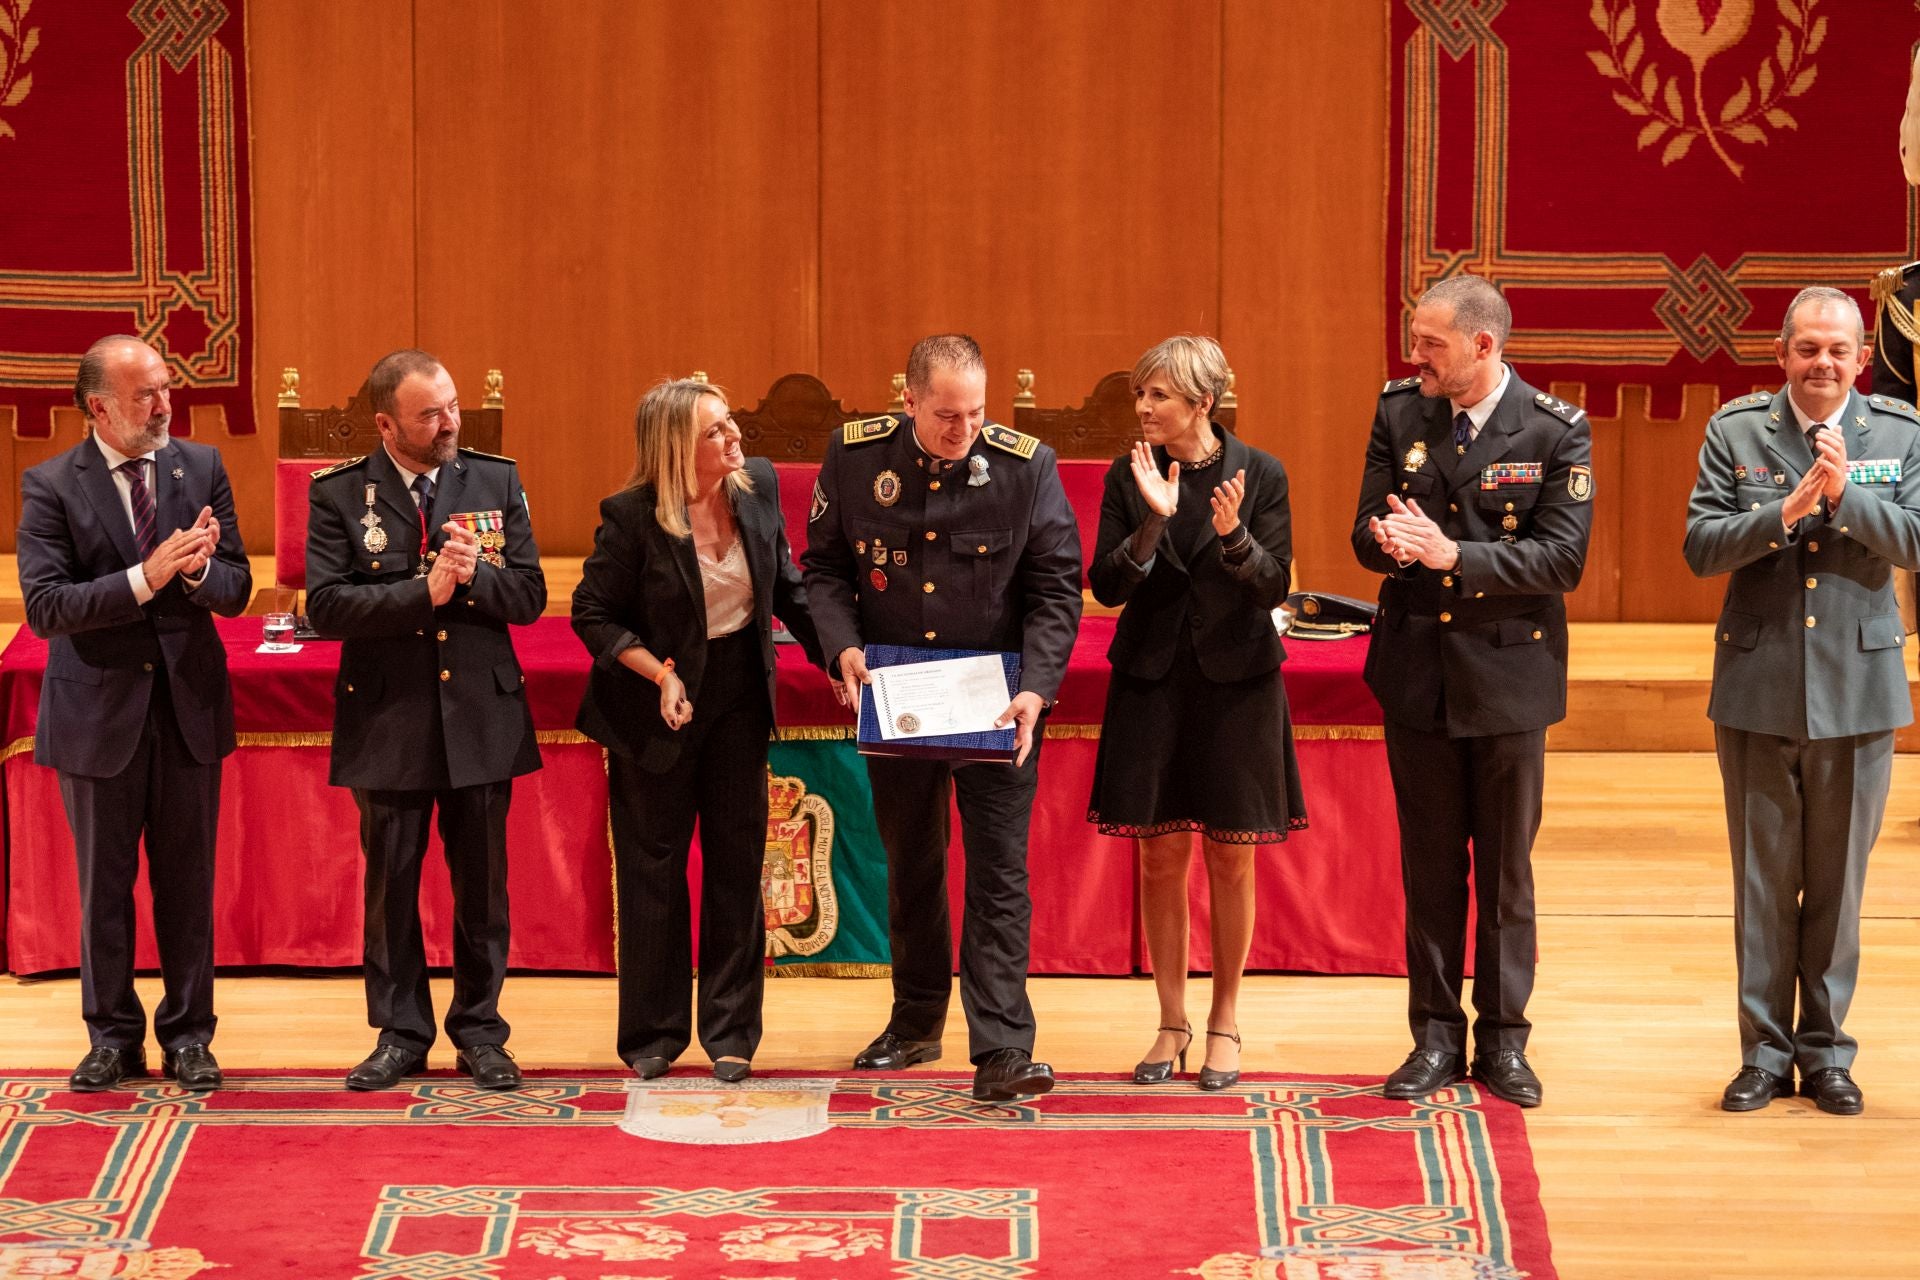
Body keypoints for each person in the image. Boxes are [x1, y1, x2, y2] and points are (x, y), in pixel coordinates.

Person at [800, 333, 1082, 1102]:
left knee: (999, 872)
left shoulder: (1026, 468)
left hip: (998, 701)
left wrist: (1040, 688)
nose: (964, 432)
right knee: (913, 863)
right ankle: (915, 1021)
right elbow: (822, 568)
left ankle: (1002, 1048)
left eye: (977, 414)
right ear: (909, 402)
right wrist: (841, 649)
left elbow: (1058, 587)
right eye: (947, 416)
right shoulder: (857, 458)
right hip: (897, 699)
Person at [1350, 275, 1593, 1109]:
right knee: (1428, 867)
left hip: (1508, 679)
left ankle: (1505, 1041)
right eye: (1417, 338)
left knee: (1503, 872)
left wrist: (1455, 556)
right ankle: (1433, 1037)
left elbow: (1562, 561)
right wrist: (1387, 541)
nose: (1416, 355)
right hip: (1417, 671)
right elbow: (1362, 532)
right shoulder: (1400, 411)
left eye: (1433, 343)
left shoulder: (1557, 430)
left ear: (1484, 347)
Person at [1683, 287, 1920, 1116]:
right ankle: (1761, 1054)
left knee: (1837, 886)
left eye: (1838, 351)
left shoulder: (1899, 432)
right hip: (1758, 685)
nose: (1824, 363)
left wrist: (1846, 498)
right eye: (1808, 348)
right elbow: (1700, 547)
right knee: (1762, 884)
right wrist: (1783, 512)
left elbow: (1919, 539)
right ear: (1781, 353)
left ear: (1862, 358)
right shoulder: (1737, 431)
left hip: (1858, 690)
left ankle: (1825, 1054)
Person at [306, 349, 546, 1092]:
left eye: (451, 406)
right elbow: (326, 606)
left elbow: (532, 596)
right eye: (429, 414)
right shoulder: (342, 494)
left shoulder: (494, 478)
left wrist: (478, 578)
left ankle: (481, 1031)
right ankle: (400, 1032)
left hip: (479, 712)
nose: (449, 422)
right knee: (392, 886)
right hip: (390, 717)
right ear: (386, 424)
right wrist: (424, 593)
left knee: (482, 888)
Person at [572, 379, 826, 1083]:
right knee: (654, 868)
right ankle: (653, 1034)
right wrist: (660, 675)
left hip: (739, 697)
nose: (734, 437)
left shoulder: (758, 488)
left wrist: (838, 655)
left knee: (738, 862)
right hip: (653, 706)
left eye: (730, 422)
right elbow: (591, 613)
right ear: (677, 449)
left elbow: (789, 587)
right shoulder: (631, 517)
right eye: (716, 430)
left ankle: (731, 1031)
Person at [17, 335, 250, 1092]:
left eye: (165, 387)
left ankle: (189, 1035)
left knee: (187, 883)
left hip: (187, 710)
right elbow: (49, 608)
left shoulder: (201, 467)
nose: (164, 404)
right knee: (104, 888)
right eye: (145, 394)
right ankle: (112, 1036)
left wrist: (203, 570)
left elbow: (239, 588)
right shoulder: (51, 485)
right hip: (98, 718)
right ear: (99, 407)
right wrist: (145, 578)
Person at [1086, 335, 1305, 1091]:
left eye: (1158, 396)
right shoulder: (1129, 474)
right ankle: (1171, 1020)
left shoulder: (1260, 473)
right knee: (1158, 853)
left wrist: (1232, 536)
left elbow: (1274, 585)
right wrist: (1151, 522)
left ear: (1202, 404)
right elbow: (1107, 586)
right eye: (1140, 395)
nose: (1143, 409)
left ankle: (1225, 1021)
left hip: (1237, 683)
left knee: (1230, 853)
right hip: (1151, 680)